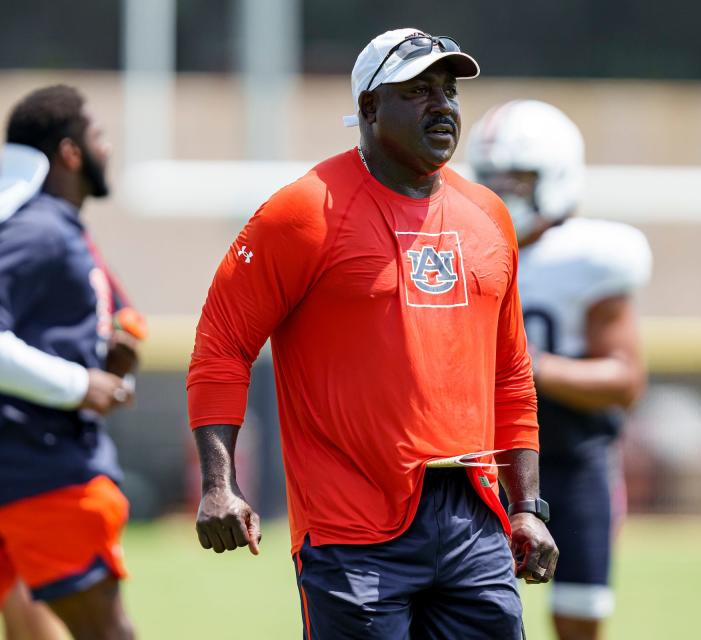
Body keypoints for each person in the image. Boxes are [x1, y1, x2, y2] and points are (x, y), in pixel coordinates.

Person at [187, 28, 558, 639]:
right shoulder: (303, 212)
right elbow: (222, 347)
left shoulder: (488, 215)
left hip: (474, 519)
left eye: (449, 90)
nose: (442, 105)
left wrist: (525, 507)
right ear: (368, 108)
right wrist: (219, 486)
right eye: (418, 91)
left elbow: (510, 375)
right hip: (352, 529)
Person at [467, 100, 651, 640]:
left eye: (519, 179)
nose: (505, 193)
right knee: (471, 613)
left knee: (578, 614)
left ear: (558, 178)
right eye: (492, 179)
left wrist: (524, 367)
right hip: (483, 462)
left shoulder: (589, 256)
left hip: (572, 459)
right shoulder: (462, 247)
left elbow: (624, 381)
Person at [0, 86, 143, 640]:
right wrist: (79, 383)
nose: (109, 148)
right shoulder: (40, 230)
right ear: (71, 153)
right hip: (44, 470)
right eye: (100, 136)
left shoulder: (54, 229)